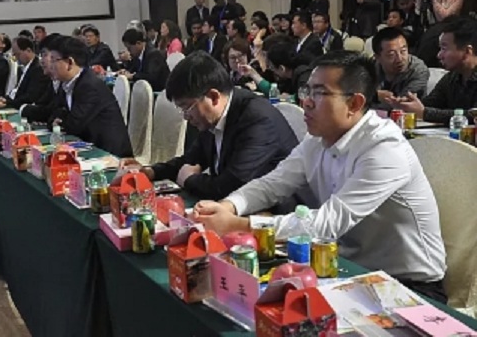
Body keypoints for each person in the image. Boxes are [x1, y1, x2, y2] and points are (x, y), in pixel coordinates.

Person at [193, 51, 447, 303]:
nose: (306, 102)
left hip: (410, 286)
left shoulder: (384, 149)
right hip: (346, 268)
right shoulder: (319, 137)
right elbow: (274, 183)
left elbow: (326, 224)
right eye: (307, 91)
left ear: (354, 104)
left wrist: (239, 225)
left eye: (319, 93)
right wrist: (228, 206)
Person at [119, 51, 297, 200]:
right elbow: (191, 159)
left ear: (213, 97)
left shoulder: (257, 119)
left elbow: (231, 185)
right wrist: (150, 172)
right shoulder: (212, 118)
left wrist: (189, 180)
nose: (185, 117)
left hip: (276, 214)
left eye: (186, 108)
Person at [49, 36, 133, 157]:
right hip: (86, 145)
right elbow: (53, 113)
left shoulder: (89, 85)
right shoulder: (66, 83)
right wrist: (56, 120)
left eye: (54, 60)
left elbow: (74, 125)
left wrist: (60, 121)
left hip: (109, 154)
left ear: (70, 62)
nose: (50, 65)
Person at [386, 16, 477, 124]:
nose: (439, 55)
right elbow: (431, 103)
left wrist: (424, 113)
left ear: (467, 51)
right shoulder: (451, 78)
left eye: (444, 48)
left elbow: (473, 116)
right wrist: (408, 104)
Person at [371, 27, 429, 110]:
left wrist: (372, 97)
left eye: (403, 51)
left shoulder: (418, 70)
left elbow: (401, 105)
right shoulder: (369, 68)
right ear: (377, 57)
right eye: (391, 55)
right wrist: (375, 96)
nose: (400, 59)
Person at [0, 36, 49, 110]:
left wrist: (8, 103)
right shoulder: (23, 68)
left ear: (28, 51)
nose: (15, 58)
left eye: (17, 54)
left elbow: (30, 96)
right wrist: (5, 99)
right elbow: (18, 91)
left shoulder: (38, 69)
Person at [20, 33, 63, 123]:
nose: (41, 61)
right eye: (41, 56)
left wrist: (24, 108)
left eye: (45, 55)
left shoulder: (70, 84)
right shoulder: (53, 81)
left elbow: (50, 112)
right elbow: (41, 103)